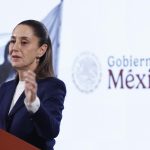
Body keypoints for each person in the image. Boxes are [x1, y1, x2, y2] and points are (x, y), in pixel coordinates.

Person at [0, 20, 66, 150]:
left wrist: (33, 105)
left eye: (24, 42)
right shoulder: (4, 89)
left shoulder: (53, 87)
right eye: (13, 41)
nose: (15, 48)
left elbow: (51, 131)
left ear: (41, 50)